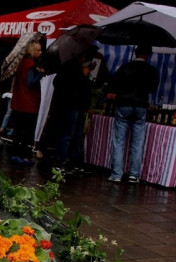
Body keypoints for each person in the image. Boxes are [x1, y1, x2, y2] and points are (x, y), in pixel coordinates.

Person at [107, 44, 159, 183]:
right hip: (141, 105)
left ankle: (116, 174)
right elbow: (152, 88)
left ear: (135, 53)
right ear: (148, 55)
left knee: (119, 141)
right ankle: (134, 174)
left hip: (124, 104)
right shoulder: (151, 70)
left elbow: (114, 84)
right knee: (137, 142)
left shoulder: (125, 67)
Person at [48, 51, 95, 172]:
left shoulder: (69, 67)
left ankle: (66, 161)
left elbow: (57, 82)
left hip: (72, 106)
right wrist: (83, 75)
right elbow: (77, 86)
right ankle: (62, 161)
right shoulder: (73, 68)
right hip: (72, 105)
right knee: (69, 135)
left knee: (70, 135)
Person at [9, 39, 45, 166]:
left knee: (17, 131)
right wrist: (40, 74)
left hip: (20, 102)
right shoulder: (30, 64)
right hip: (28, 104)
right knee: (26, 132)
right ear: (32, 51)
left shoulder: (21, 63)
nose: (40, 52)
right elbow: (30, 83)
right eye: (38, 50)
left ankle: (15, 154)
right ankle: (23, 155)